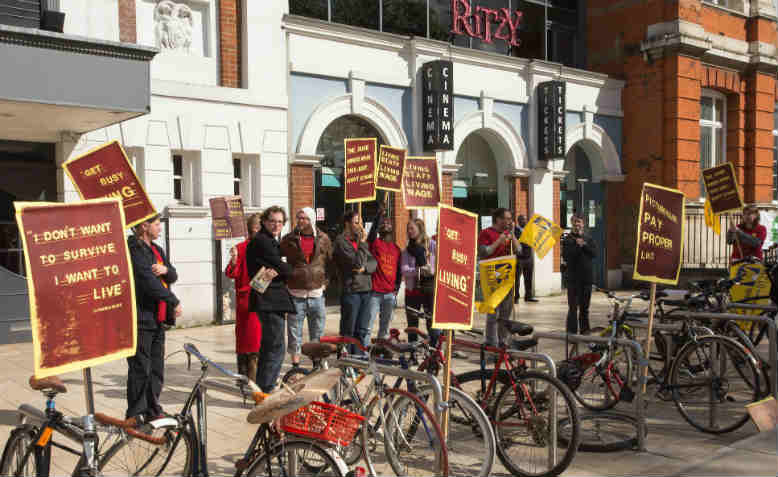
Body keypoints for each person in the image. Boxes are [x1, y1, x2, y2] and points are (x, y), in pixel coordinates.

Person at [126, 214, 182, 423]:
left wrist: (165, 269)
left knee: (157, 367)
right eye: (157, 224)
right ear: (144, 226)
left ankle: (152, 407)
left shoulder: (157, 250)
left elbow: (173, 275)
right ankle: (136, 412)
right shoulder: (134, 250)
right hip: (141, 317)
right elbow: (148, 282)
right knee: (140, 367)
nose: (160, 228)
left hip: (158, 318)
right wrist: (173, 300)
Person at [246, 206, 295, 392]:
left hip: (271, 299)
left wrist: (281, 269)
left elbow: (280, 268)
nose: (276, 225)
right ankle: (266, 389)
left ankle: (262, 388)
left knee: (270, 346)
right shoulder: (263, 242)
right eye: (273, 221)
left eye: (280, 222)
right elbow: (286, 269)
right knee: (275, 347)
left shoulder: (270, 241)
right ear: (265, 222)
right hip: (268, 300)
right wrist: (284, 268)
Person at [280, 207, 332, 367]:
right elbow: (280, 260)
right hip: (296, 293)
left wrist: (325, 284)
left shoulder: (324, 238)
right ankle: (295, 367)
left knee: (317, 332)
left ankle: (317, 364)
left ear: (312, 219)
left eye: (304, 218)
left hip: (317, 294)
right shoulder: (289, 239)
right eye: (298, 217)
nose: (301, 221)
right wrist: (288, 279)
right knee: (294, 332)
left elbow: (331, 263)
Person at [225, 213, 262, 384]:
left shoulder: (265, 246)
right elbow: (232, 272)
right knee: (249, 344)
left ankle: (247, 379)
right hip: (249, 300)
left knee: (250, 343)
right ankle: (249, 380)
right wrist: (233, 260)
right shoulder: (240, 248)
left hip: (257, 299)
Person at [333, 210, 377, 353]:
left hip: (366, 289)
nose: (360, 225)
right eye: (356, 222)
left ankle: (357, 361)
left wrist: (364, 269)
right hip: (352, 291)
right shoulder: (341, 242)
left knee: (362, 329)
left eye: (361, 222)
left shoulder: (360, 240)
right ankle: (347, 362)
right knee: (349, 330)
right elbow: (356, 263)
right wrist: (363, 245)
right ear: (347, 224)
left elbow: (373, 263)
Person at [478, 208, 522, 347]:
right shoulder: (486, 233)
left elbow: (519, 250)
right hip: (492, 278)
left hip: (507, 278)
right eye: (507, 218)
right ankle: (492, 343)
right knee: (493, 314)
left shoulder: (509, 234)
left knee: (505, 313)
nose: (510, 221)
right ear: (498, 219)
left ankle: (503, 341)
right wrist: (499, 240)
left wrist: (512, 235)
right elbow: (484, 252)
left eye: (510, 219)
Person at [401, 217, 440, 345]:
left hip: (429, 287)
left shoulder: (431, 244)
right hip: (413, 290)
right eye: (408, 229)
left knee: (431, 321)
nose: (409, 231)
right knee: (413, 323)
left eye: (412, 228)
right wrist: (417, 270)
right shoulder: (407, 250)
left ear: (420, 229)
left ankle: (434, 350)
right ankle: (413, 351)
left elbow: (440, 261)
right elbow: (404, 269)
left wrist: (432, 269)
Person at [366, 205, 402, 341]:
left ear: (392, 228)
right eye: (383, 224)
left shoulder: (397, 249)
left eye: (388, 223)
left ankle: (381, 349)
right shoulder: (375, 244)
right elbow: (371, 234)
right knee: (368, 326)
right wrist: (378, 216)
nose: (385, 225)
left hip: (389, 294)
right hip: (375, 293)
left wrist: (396, 289)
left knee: (385, 327)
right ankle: (363, 353)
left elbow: (399, 272)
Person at [562, 214, 596, 334]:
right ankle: (571, 332)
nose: (577, 225)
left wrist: (584, 245)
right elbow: (567, 257)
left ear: (583, 224)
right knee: (573, 308)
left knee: (585, 307)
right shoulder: (568, 240)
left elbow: (594, 253)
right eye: (575, 222)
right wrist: (577, 245)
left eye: (579, 222)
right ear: (572, 223)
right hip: (573, 279)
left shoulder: (589, 238)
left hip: (586, 278)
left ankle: (585, 330)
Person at [513, 214, 538, 303]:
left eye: (525, 220)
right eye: (523, 220)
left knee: (529, 278)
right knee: (517, 279)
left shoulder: (529, 230)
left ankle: (528, 296)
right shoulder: (515, 231)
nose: (525, 221)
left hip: (529, 257)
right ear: (519, 221)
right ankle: (516, 297)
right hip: (519, 258)